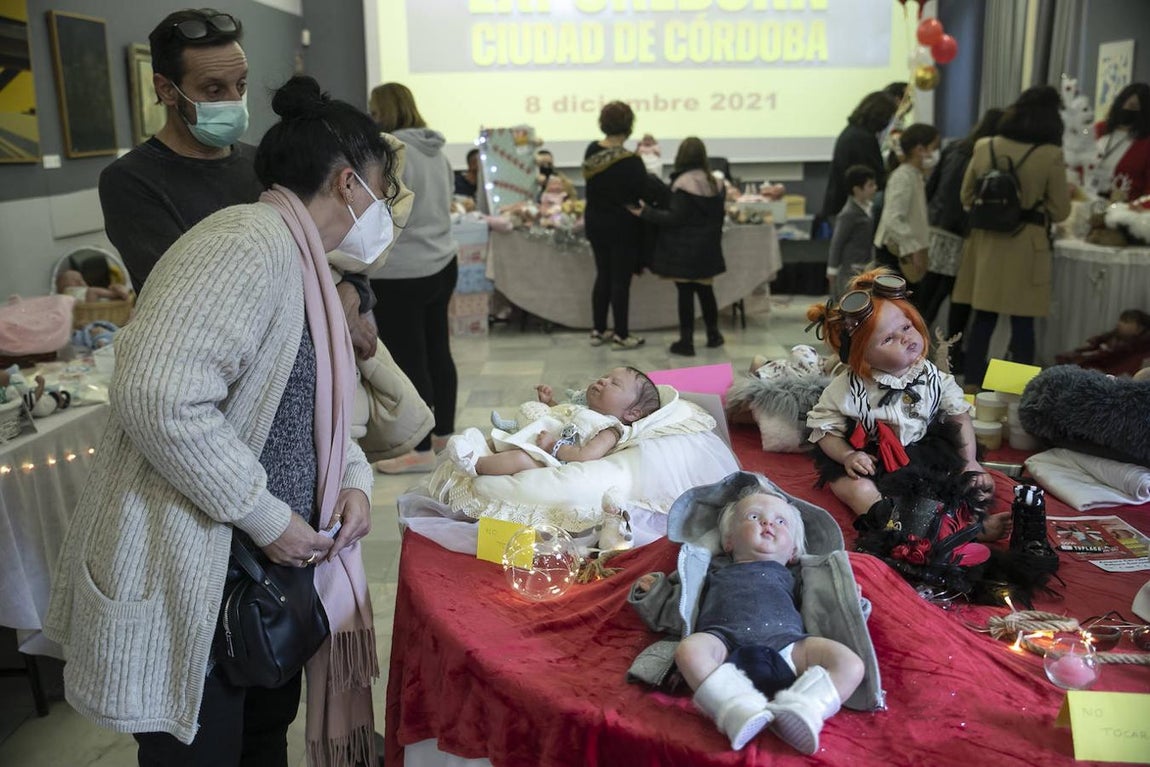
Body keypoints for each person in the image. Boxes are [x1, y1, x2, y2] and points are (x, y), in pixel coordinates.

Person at [45, 75, 391, 767]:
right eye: (387, 189)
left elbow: (316, 402)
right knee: (200, 751)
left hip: (264, 576)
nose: (387, 207)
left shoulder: (305, 261)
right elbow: (158, 395)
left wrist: (352, 477)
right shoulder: (241, 243)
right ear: (351, 183)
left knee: (262, 741)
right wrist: (266, 516)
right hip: (200, 572)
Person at [98, 8, 378, 359]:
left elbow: (337, 250)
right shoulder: (130, 182)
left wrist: (351, 293)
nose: (233, 100)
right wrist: (327, 303)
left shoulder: (264, 161)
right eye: (214, 89)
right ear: (167, 90)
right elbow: (201, 301)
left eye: (241, 85)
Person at [630, 484, 864, 754]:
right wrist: (655, 592)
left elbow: (823, 610)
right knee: (689, 650)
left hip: (790, 646)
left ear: (793, 552)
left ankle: (804, 707)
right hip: (723, 643)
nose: (767, 523)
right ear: (728, 541)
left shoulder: (798, 577)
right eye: (754, 517)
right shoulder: (713, 569)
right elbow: (679, 608)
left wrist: (847, 602)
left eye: (781, 521)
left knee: (851, 664)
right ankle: (736, 707)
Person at [804, 269, 1008, 539]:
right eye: (888, 339)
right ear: (861, 356)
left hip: (924, 452)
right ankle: (893, 521)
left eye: (906, 327)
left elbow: (959, 417)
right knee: (855, 488)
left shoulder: (933, 376)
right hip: (872, 459)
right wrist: (847, 456)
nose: (905, 338)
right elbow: (824, 430)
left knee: (976, 483)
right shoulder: (847, 387)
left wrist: (970, 461)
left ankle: (968, 524)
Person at [368, 82, 460, 473]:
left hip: (402, 269)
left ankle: (418, 448)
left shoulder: (389, 150)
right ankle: (443, 437)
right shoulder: (436, 150)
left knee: (409, 359)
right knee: (438, 349)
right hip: (442, 261)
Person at [953, 85, 1071, 388]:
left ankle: (975, 387)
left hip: (986, 243)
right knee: (1023, 323)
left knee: (983, 318)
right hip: (1027, 246)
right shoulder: (1050, 155)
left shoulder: (985, 146)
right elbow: (1060, 211)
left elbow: (966, 195)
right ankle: (1014, 390)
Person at [447, 365, 661, 476]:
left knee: (520, 458)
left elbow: (586, 455)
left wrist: (553, 446)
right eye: (605, 376)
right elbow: (562, 419)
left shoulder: (609, 429)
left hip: (555, 460)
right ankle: (481, 447)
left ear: (633, 413)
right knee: (502, 439)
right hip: (541, 443)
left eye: (614, 384)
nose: (602, 380)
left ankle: (476, 465)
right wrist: (550, 403)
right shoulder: (586, 409)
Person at [627, 136, 726, 356]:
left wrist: (645, 212)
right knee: (706, 290)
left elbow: (674, 218)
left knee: (686, 292)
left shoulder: (682, 183)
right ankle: (713, 335)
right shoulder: (716, 182)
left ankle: (686, 341)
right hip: (709, 247)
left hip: (685, 249)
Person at [916, 108, 1004, 342]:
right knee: (956, 298)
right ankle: (951, 349)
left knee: (928, 294)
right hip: (960, 233)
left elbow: (931, 187)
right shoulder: (987, 156)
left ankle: (913, 344)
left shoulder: (954, 147)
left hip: (936, 226)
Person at [582, 100, 656, 349]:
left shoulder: (591, 150)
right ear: (629, 125)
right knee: (620, 279)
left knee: (602, 274)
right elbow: (642, 192)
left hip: (594, 221)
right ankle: (621, 335)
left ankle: (598, 330)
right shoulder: (631, 161)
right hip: (622, 226)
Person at [818, 91, 900, 230]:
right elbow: (876, 177)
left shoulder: (852, 132)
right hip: (851, 209)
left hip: (841, 205)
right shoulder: (863, 139)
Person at [873, 123, 940, 283]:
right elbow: (893, 219)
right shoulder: (902, 177)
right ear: (919, 149)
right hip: (897, 253)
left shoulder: (915, 175)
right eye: (933, 147)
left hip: (907, 251)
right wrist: (913, 248)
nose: (935, 153)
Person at [826, 164, 878, 299]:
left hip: (866, 267)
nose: (875, 189)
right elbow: (837, 243)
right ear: (857, 190)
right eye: (870, 185)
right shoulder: (848, 214)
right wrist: (832, 270)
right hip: (851, 271)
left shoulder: (869, 209)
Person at [1091, 82, 1149, 201]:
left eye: (1133, 106)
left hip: (1124, 210)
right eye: (1123, 102)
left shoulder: (1146, 143)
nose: (1125, 108)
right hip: (1088, 199)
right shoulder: (1099, 129)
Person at [1054, 308, 1150, 376]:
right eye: (1121, 320)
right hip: (1095, 366)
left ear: (1139, 328)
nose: (1120, 323)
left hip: (1107, 373)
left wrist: (1088, 358)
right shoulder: (1114, 336)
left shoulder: (1138, 348)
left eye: (1126, 321)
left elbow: (1116, 363)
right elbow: (1096, 344)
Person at [55, 269, 132, 302]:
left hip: (95, 303)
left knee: (111, 288)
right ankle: (115, 294)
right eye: (76, 281)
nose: (80, 282)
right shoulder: (69, 292)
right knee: (92, 291)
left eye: (81, 279)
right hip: (89, 306)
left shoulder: (80, 292)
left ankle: (117, 292)